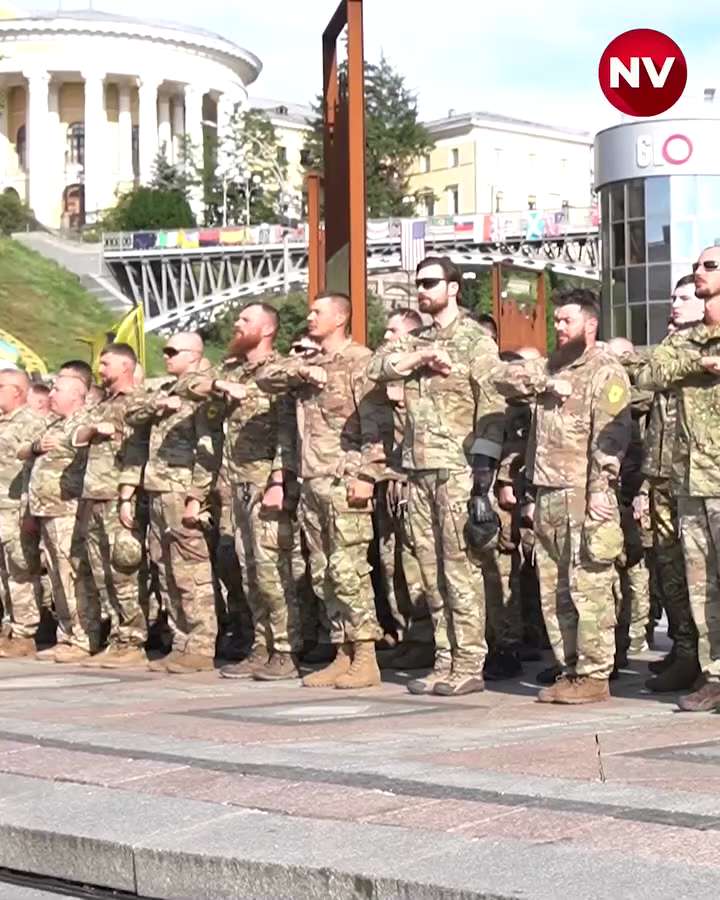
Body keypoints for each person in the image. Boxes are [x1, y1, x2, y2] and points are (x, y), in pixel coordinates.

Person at [368, 257, 506, 696]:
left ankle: (468, 662)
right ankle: (444, 660)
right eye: (418, 283)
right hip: (418, 468)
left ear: (453, 288)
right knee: (430, 571)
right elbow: (375, 367)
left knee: (460, 569)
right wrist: (421, 354)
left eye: (430, 283)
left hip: (457, 469)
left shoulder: (474, 342)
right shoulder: (416, 340)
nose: (422, 290)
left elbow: (494, 406)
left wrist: (484, 474)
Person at [491, 288, 631, 704]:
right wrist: (545, 380)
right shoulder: (550, 367)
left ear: (590, 324)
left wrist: (600, 489)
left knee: (588, 584)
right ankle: (569, 667)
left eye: (565, 320)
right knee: (555, 588)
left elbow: (613, 436)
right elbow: (499, 378)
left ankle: (594, 672)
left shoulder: (604, 371)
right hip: (548, 490)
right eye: (555, 320)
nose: (558, 327)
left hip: (583, 493)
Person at [257, 292, 385, 690]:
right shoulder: (307, 365)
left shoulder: (360, 362)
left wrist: (368, 474)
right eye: (310, 311)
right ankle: (340, 651)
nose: (310, 318)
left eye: (318, 312)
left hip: (343, 479)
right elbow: (264, 376)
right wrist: (302, 373)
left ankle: (365, 655)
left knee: (349, 570)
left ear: (342, 318)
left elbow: (376, 425)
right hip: (312, 481)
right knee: (323, 572)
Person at [190, 304, 302, 682]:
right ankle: (261, 645)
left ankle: (286, 650)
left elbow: (290, 431)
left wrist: (278, 480)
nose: (237, 325)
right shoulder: (231, 371)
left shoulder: (281, 371)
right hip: (236, 483)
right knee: (248, 570)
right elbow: (188, 385)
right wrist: (220, 384)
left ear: (267, 328)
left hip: (265, 484)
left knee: (272, 569)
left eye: (245, 321)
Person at [636, 247, 720, 710]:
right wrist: (698, 365)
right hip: (690, 483)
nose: (698, 273)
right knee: (700, 583)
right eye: (697, 266)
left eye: (709, 266)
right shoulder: (685, 341)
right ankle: (713, 673)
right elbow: (650, 374)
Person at [123, 332, 220, 674]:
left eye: (172, 351)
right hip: (159, 491)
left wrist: (197, 496)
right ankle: (181, 641)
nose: (166, 356)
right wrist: (158, 405)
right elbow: (132, 413)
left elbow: (209, 449)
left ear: (194, 355)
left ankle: (201, 644)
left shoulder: (202, 395)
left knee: (190, 572)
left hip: (182, 493)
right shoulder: (166, 392)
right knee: (166, 570)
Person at [639, 275, 703, 692]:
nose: (675, 304)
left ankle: (700, 657)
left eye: (685, 297)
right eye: (674, 297)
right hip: (662, 476)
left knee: (697, 572)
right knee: (668, 567)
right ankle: (684, 650)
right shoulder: (670, 349)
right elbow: (645, 380)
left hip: (694, 476)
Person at [73, 343, 148, 668]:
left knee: (124, 569)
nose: (100, 369)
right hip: (94, 498)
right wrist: (92, 429)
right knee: (103, 574)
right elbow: (75, 435)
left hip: (121, 497)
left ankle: (133, 640)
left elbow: (140, 451)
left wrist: (128, 497)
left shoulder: (138, 403)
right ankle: (117, 637)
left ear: (125, 366)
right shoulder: (102, 404)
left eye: (106, 364)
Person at [19, 374, 98, 662]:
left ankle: (81, 635)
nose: (51, 394)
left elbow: (84, 440)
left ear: (77, 396)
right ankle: (66, 634)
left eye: (58, 389)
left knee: (72, 574)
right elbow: (22, 451)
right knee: (56, 575)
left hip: (68, 510)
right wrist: (37, 446)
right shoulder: (53, 424)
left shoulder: (82, 421)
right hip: (46, 511)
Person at [373, 308, 434, 670]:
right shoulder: (383, 377)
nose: (386, 338)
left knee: (416, 563)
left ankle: (424, 637)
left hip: (413, 482)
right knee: (390, 561)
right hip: (387, 482)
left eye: (393, 331)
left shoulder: (423, 380)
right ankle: (405, 632)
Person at [0, 369, 46, 656]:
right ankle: (9, 626)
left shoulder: (32, 423)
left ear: (16, 391)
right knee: (4, 573)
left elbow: (34, 470)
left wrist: (30, 510)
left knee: (21, 570)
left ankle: (25, 632)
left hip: (16, 508)